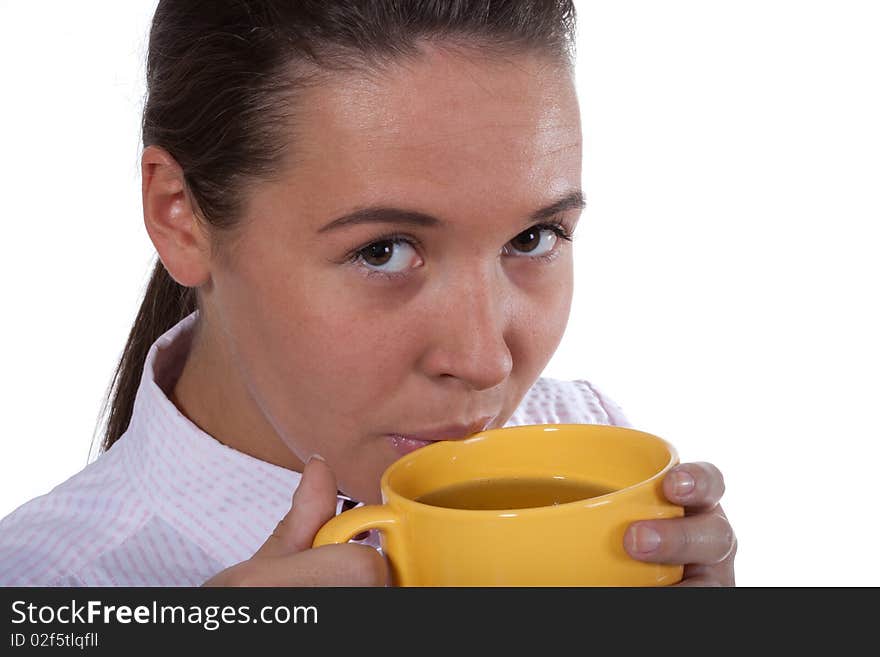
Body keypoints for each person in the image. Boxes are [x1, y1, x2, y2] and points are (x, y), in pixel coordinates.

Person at [0, 0, 736, 587]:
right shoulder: (44, 589)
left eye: (533, 237)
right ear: (179, 215)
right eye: (382, 250)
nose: (483, 363)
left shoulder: (588, 446)